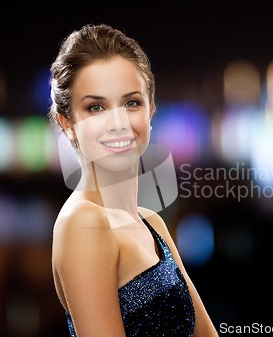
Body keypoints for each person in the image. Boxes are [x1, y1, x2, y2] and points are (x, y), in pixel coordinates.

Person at [48, 23, 219, 337]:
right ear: (68, 123)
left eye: (131, 103)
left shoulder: (152, 223)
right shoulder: (83, 223)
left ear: (150, 111)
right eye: (96, 107)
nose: (118, 123)